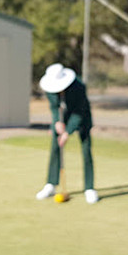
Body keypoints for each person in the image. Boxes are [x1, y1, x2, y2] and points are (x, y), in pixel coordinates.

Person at [36, 63, 98, 204]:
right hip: (62, 117)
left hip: (82, 117)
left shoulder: (79, 86)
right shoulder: (49, 88)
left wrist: (67, 132)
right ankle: (51, 184)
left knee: (86, 150)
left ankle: (89, 188)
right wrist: (57, 122)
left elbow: (79, 113)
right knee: (55, 148)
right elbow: (53, 107)